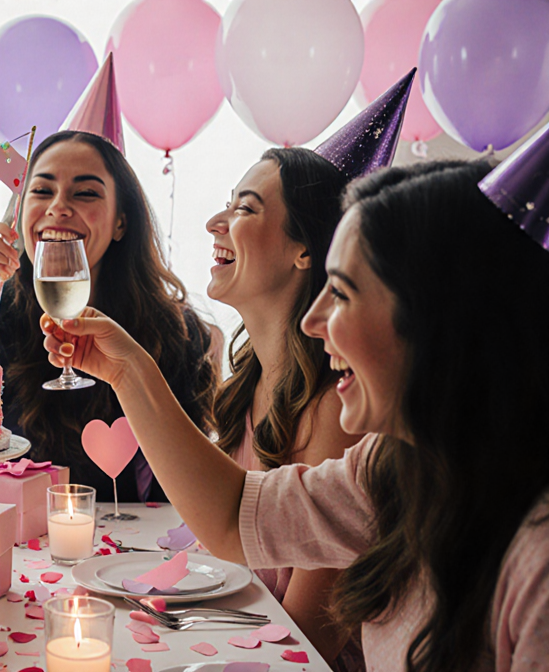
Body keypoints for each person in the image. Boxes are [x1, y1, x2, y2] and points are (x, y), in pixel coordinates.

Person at [42, 159, 549, 671]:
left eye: (345, 292)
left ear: (436, 318)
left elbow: (308, 636)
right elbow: (233, 513)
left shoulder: (536, 566)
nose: (313, 319)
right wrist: (129, 371)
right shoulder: (390, 465)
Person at [0, 130, 218, 502]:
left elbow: (195, 489)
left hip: (138, 552)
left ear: (121, 223)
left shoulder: (177, 333)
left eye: (85, 193)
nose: (59, 208)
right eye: (41, 190)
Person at [205, 147, 363, 668]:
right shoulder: (240, 388)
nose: (215, 223)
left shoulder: (334, 415)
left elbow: (305, 642)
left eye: (245, 209)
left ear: (303, 250)